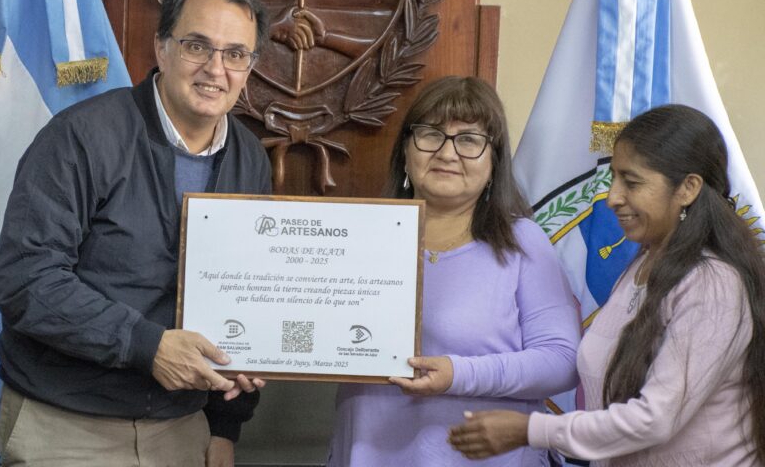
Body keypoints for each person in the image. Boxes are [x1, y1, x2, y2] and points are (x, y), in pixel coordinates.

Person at [0, 0, 272, 467]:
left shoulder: (250, 158)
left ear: (249, 67)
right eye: (196, 46)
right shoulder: (79, 137)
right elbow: (26, 279)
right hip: (65, 427)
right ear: (161, 48)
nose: (215, 69)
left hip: (183, 430)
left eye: (235, 54)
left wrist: (224, 427)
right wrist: (148, 347)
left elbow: (249, 293)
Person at [449, 104, 765, 466]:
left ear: (688, 188)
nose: (612, 197)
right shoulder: (642, 265)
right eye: (614, 178)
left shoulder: (713, 283)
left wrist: (529, 430)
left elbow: (654, 419)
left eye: (632, 182)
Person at [328, 76, 581, 466]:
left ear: (494, 162)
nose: (447, 153)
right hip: (370, 450)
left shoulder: (522, 242)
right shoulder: (356, 236)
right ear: (406, 151)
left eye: (469, 140)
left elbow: (562, 361)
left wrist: (457, 374)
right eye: (431, 135)